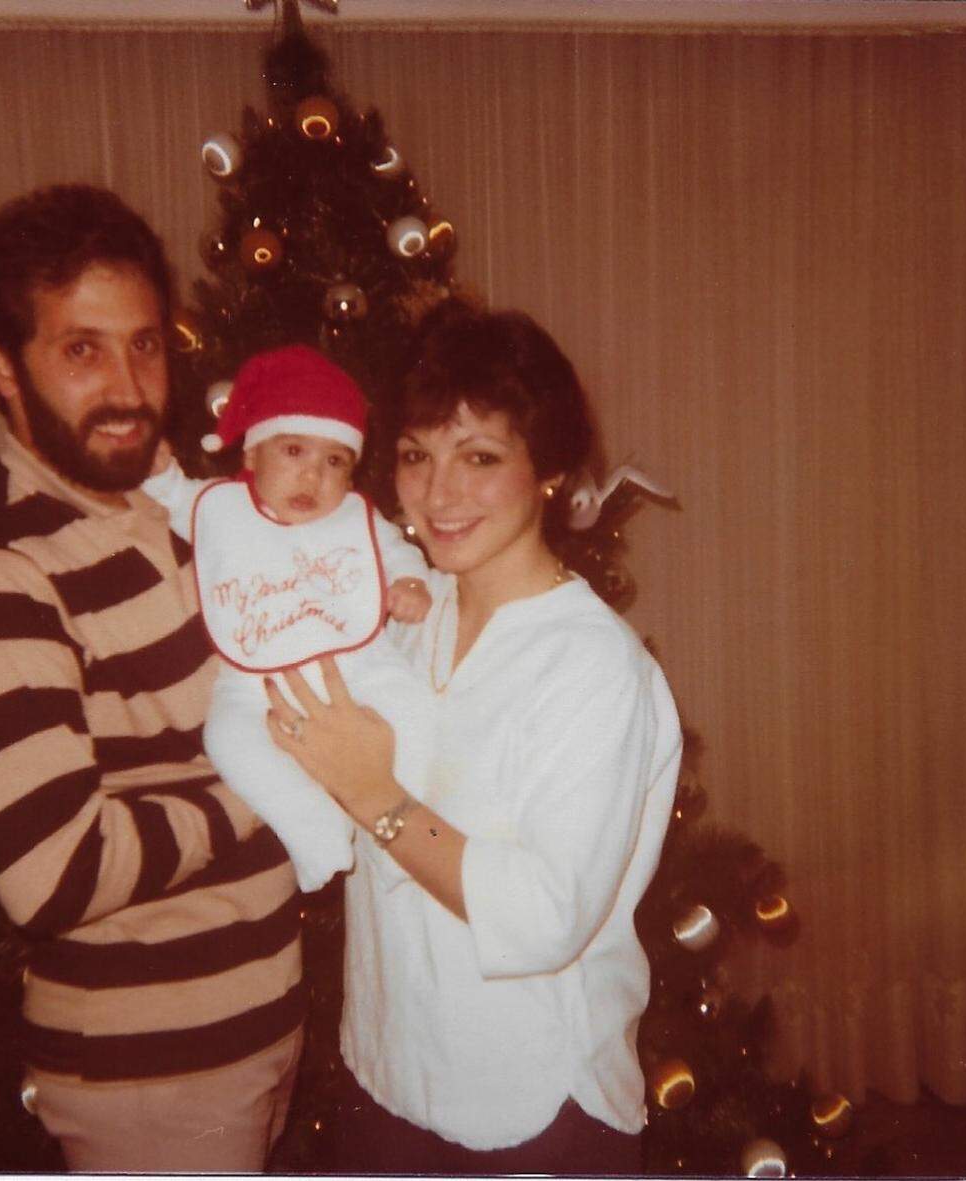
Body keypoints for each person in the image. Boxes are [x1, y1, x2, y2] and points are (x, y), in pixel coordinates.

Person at [0, 184, 304, 1173]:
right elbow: (55, 874)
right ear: (1, 363)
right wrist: (280, 779)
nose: (128, 385)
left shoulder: (182, 508)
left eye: (144, 343)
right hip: (151, 1080)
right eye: (81, 349)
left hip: (249, 1033)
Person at [263, 300, 684, 1175]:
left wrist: (375, 797)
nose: (438, 492)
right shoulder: (407, 616)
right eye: (417, 455)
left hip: (532, 1107)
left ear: (551, 473)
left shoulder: (594, 666)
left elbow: (542, 916)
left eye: (480, 457)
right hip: (387, 1070)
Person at [142, 344, 433, 893]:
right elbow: (178, 497)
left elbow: (392, 552)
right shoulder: (220, 508)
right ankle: (313, 828)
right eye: (294, 450)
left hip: (360, 667)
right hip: (256, 685)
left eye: (334, 461)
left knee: (416, 711)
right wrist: (159, 473)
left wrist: (409, 582)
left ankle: (404, 841)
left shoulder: (355, 517)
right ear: (251, 455)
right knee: (228, 739)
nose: (312, 477)